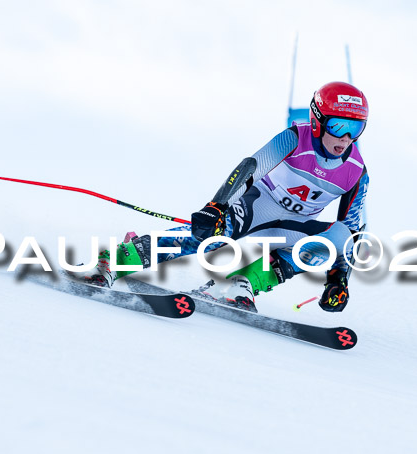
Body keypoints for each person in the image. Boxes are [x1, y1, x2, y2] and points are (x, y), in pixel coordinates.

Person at [86, 81, 370, 313]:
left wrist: (338, 279)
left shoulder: (356, 170)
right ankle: (120, 259)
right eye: (338, 127)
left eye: (355, 129)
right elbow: (252, 167)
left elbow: (353, 230)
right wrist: (216, 207)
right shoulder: (296, 138)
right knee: (210, 235)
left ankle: (243, 284)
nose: (345, 139)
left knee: (339, 238)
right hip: (258, 205)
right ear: (318, 121)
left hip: (292, 228)